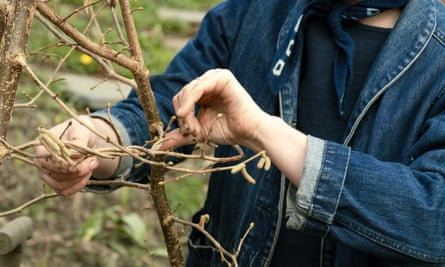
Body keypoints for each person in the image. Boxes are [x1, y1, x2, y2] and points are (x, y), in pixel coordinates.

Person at [34, 0, 445, 266]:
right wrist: (96, 139)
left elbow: (434, 217)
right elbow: (165, 109)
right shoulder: (254, 14)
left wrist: (267, 133)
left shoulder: (437, 55)